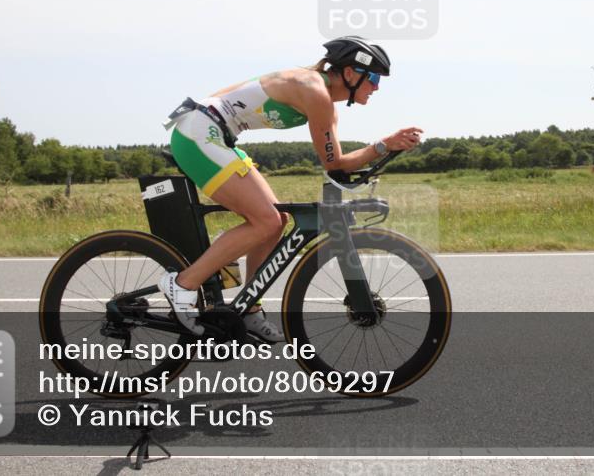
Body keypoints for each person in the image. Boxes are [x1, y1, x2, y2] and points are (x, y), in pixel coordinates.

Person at [158, 36, 423, 342]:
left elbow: (334, 163)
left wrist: (383, 148)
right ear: (351, 73)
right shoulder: (314, 92)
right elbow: (334, 163)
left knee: (277, 222)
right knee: (266, 220)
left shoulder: (318, 93)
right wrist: (383, 145)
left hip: (211, 131)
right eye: (374, 78)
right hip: (199, 134)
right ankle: (183, 285)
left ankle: (248, 310)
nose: (376, 87)